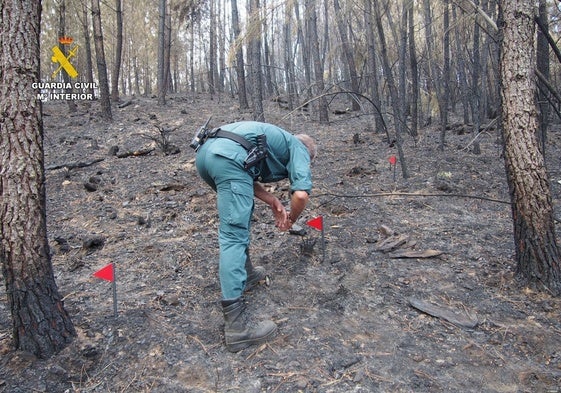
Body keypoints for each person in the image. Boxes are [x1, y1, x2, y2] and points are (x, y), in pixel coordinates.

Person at [193, 120, 316, 352]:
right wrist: (291, 220)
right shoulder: (300, 147)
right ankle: (238, 328)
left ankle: (246, 273)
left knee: (239, 214)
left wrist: (271, 200)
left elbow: (243, 170)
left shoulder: (274, 139)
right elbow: (300, 195)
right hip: (227, 159)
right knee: (233, 235)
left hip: (207, 155)